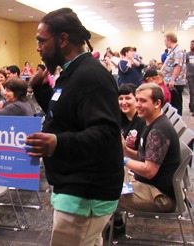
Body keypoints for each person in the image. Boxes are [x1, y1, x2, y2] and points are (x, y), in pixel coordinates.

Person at [26, 8, 124, 245]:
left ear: (63, 39)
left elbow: (107, 133)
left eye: (41, 40)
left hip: (86, 191)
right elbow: (68, 115)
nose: (38, 48)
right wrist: (42, 91)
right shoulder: (71, 73)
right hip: (75, 183)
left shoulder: (91, 76)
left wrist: (57, 142)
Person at [115, 82, 181, 237]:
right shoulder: (153, 123)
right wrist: (124, 150)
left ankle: (114, 227)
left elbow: (149, 171)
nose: (137, 105)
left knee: (106, 190)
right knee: (110, 177)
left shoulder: (158, 131)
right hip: (153, 187)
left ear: (158, 103)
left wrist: (122, 160)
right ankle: (115, 225)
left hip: (161, 197)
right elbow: (145, 157)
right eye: (137, 100)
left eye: (143, 101)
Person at [161, 32, 187, 115]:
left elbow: (178, 66)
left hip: (175, 82)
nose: (165, 43)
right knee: (173, 104)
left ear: (169, 40)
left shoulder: (178, 51)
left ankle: (177, 123)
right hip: (171, 81)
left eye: (165, 41)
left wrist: (172, 79)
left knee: (176, 105)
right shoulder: (173, 50)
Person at [118, 83, 146, 153]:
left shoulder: (143, 121)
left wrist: (125, 149)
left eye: (128, 98)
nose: (123, 102)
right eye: (120, 99)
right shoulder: (119, 118)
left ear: (137, 100)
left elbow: (143, 156)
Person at [186, 40, 194, 115]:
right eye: (191, 44)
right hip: (190, 75)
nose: (191, 45)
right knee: (192, 92)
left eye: (193, 44)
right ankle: (192, 107)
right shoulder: (187, 55)